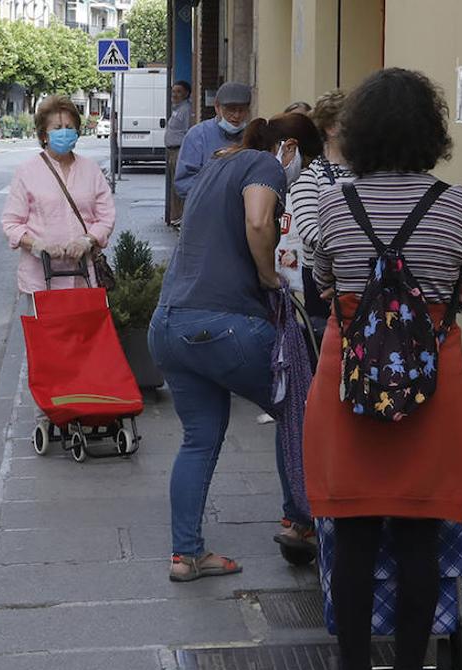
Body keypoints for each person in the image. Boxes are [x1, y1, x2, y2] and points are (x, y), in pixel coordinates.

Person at [302, 68, 462, 670]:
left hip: (347, 387)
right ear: (430, 133)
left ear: (358, 134)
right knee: (420, 538)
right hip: (431, 391)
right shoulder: (458, 206)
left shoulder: (332, 206)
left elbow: (323, 289)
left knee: (351, 536)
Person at [148, 112, 324, 582]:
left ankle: (186, 555)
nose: (298, 173)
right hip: (224, 325)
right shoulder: (263, 166)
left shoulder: (216, 163)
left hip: (169, 324)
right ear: (289, 148)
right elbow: (258, 219)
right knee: (300, 410)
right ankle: (301, 523)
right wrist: (269, 277)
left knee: (199, 439)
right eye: (303, 162)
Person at [2, 94, 115, 295]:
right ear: (44, 135)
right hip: (40, 280)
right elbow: (11, 224)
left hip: (83, 278)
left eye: (70, 128)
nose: (65, 133)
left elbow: (106, 217)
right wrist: (37, 245)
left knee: (84, 327)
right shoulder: (27, 172)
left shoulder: (91, 170)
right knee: (45, 327)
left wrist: (87, 240)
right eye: (57, 128)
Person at [288, 89, 351, 323]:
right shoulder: (309, 175)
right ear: (331, 128)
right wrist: (357, 250)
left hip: (362, 278)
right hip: (322, 280)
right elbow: (309, 231)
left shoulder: (369, 172)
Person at [173, 81, 252, 200]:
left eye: (242, 110)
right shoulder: (198, 135)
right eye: (231, 109)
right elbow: (183, 183)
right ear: (217, 107)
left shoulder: (253, 135)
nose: (236, 115)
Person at [165, 80, 194, 225]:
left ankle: (181, 217)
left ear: (186, 93)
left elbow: (189, 130)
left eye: (178, 92)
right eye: (174, 91)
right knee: (174, 185)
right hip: (172, 151)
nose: (175, 94)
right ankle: (176, 216)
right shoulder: (177, 109)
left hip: (179, 151)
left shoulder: (185, 109)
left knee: (179, 185)